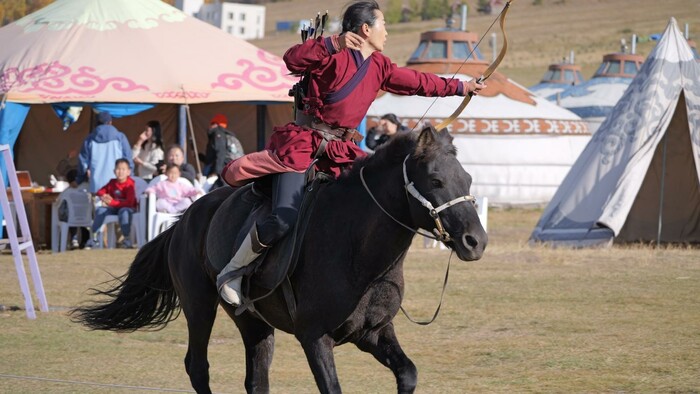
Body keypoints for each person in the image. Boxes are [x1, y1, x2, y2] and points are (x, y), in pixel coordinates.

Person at [216, 0, 486, 305]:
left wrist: (462, 88)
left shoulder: (381, 66)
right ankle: (234, 270)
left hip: (342, 152)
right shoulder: (331, 51)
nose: (387, 32)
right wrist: (332, 43)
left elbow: (418, 82)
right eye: (383, 25)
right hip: (303, 146)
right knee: (284, 216)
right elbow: (292, 60)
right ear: (366, 28)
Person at [76, 111, 133, 194]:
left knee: (97, 206)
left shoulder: (89, 139)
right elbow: (128, 160)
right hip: (118, 185)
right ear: (110, 122)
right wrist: (130, 178)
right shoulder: (120, 137)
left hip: (96, 186)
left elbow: (83, 162)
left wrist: (80, 179)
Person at [86, 158, 137, 249]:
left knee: (124, 212)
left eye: (123, 169)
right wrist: (104, 196)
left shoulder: (130, 184)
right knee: (100, 210)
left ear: (128, 172)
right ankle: (94, 238)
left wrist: (112, 202)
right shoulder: (112, 182)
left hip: (128, 208)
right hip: (114, 209)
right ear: (114, 171)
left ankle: (126, 239)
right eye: (118, 169)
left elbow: (129, 202)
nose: (120, 171)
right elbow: (100, 191)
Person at [201, 114, 244, 190]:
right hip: (230, 172)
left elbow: (220, 153)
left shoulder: (218, 134)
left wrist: (216, 172)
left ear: (215, 124)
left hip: (221, 173)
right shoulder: (227, 136)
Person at [57, 169, 90, 250]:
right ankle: (85, 241)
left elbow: (58, 201)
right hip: (87, 218)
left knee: (69, 214)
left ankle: (73, 239)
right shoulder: (88, 188)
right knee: (82, 222)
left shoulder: (67, 191)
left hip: (72, 218)